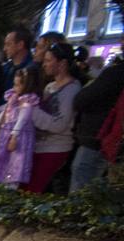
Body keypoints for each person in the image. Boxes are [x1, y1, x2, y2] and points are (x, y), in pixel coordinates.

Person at [27, 42, 83, 193]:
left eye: (48, 60)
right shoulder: (49, 87)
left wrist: (31, 111)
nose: (44, 65)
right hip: (40, 145)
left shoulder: (71, 90)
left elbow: (60, 124)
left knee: (34, 189)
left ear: (62, 63)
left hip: (56, 147)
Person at [0, 64, 43, 186]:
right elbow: (4, 113)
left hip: (18, 139)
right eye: (14, 84)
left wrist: (15, 136)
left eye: (18, 85)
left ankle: (10, 186)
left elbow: (22, 119)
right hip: (5, 134)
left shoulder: (27, 102)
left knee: (13, 165)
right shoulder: (13, 99)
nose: (14, 88)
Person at [71, 55, 124, 191]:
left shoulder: (116, 73)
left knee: (83, 192)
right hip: (109, 143)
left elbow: (82, 99)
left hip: (99, 140)